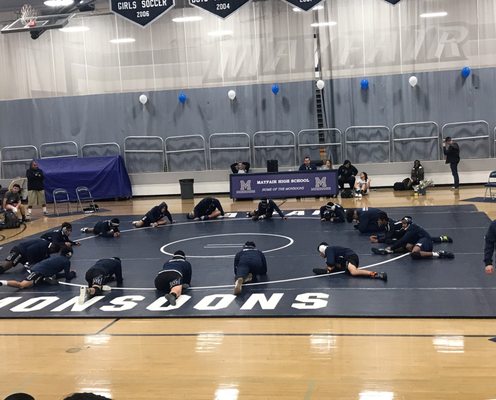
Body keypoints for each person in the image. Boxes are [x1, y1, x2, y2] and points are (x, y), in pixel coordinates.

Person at [371, 216, 454, 259]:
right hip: (420, 240)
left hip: (426, 241)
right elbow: (398, 237)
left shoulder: (411, 228)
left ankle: (439, 253)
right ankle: (389, 251)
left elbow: (403, 240)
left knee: (414, 254)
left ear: (408, 224)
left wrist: (391, 247)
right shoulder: (406, 228)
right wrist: (379, 238)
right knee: (407, 246)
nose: (402, 225)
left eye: (404, 223)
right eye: (402, 223)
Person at [0, 247, 75, 289]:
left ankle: (44, 279)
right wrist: (73, 273)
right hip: (38, 271)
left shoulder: (57, 257)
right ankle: (2, 282)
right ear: (69, 254)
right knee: (22, 285)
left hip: (40, 270)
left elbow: (56, 273)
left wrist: (62, 275)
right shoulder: (66, 261)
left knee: (53, 277)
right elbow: (68, 276)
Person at [313, 242, 387, 281]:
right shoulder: (330, 254)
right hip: (347, 260)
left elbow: (331, 264)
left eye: (320, 252)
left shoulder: (328, 250)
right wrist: (328, 269)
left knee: (353, 272)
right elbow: (332, 266)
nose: (320, 255)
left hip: (350, 256)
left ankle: (376, 274)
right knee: (351, 272)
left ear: (322, 250)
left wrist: (329, 269)